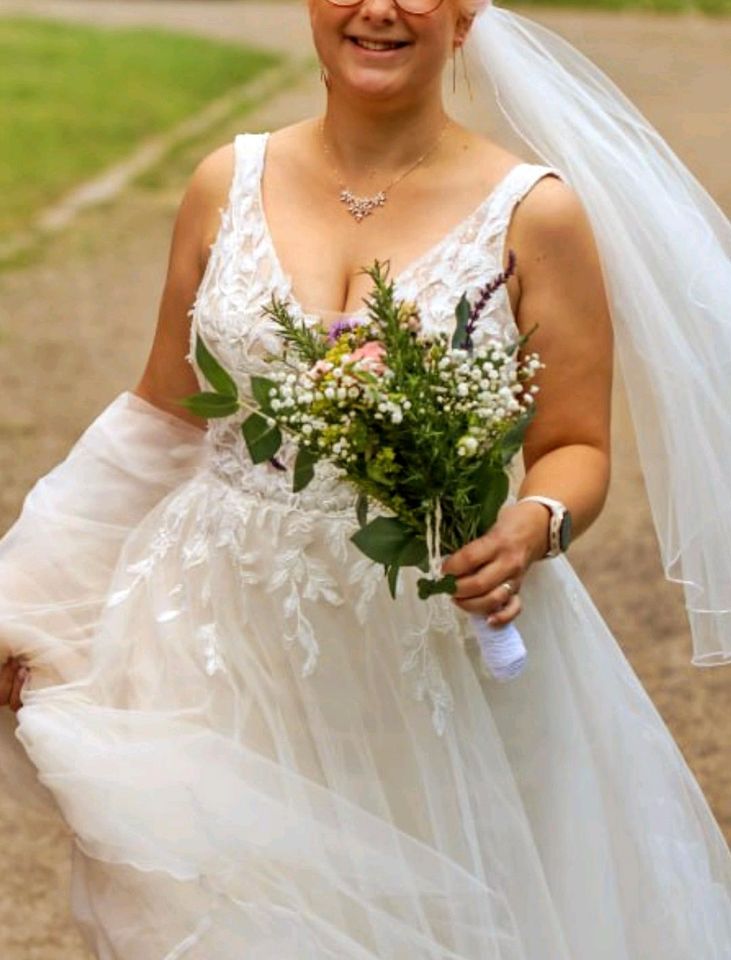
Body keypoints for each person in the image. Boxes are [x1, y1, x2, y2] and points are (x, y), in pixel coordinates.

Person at [1, 0, 730, 954]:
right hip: (213, 643)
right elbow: (161, 414)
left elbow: (575, 444)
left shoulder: (533, 213)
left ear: (465, 16)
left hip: (424, 655)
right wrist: (28, 601)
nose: (379, 9)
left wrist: (533, 522)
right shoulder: (225, 179)